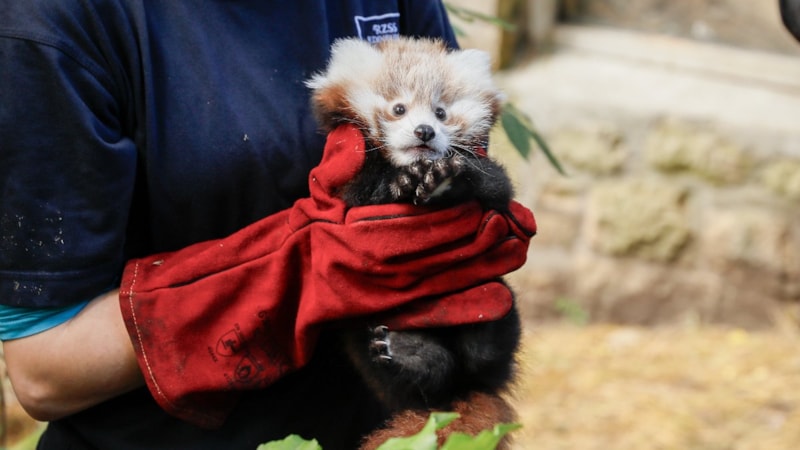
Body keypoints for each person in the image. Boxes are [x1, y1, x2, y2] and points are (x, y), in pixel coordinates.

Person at [0, 1, 535, 449]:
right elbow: (43, 375)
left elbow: (464, 178)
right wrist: (296, 278)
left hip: (387, 419)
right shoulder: (54, 22)